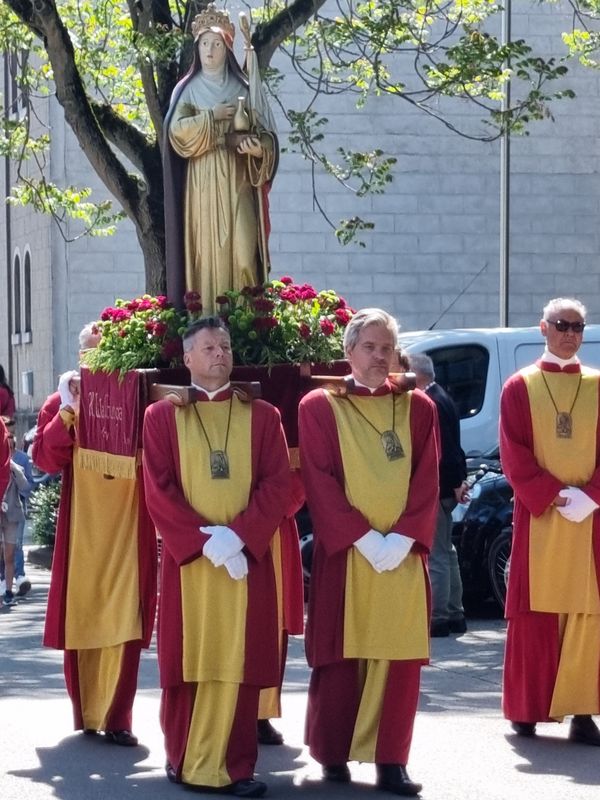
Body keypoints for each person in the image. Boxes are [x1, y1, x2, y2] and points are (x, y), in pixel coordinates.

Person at [142, 317, 291, 797]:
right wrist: (206, 541)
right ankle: (183, 758)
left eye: (225, 346)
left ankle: (236, 766)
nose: (219, 353)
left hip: (246, 563)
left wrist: (241, 538)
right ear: (187, 359)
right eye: (208, 347)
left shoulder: (263, 415)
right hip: (191, 563)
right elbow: (158, 489)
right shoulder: (162, 416)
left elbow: (278, 485)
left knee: (242, 662)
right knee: (188, 662)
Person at [299, 308, 439, 796]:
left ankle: (391, 761)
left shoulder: (419, 407)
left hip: (402, 551)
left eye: (387, 348)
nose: (380, 357)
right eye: (370, 348)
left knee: (396, 661)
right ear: (348, 352)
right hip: (348, 553)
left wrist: (402, 536)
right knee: (343, 657)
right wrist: (361, 536)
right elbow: (319, 479)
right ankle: (333, 754)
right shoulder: (319, 406)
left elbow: (427, 477)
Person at [32, 323, 155, 745]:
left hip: (127, 522)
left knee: (127, 617)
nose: (96, 360)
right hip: (83, 527)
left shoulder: (139, 398)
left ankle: (118, 718)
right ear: (79, 357)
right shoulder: (61, 399)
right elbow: (46, 460)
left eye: (105, 353)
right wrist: (67, 411)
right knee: (82, 616)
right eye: (90, 352)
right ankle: (86, 711)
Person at [500, 297, 600, 745]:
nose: (569, 333)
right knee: (534, 616)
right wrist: (555, 495)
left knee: (589, 615)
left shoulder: (599, 385)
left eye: (577, 327)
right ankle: (528, 709)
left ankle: (583, 712)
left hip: (591, 520)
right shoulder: (519, 387)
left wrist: (592, 496)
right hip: (540, 516)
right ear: (543, 328)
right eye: (561, 324)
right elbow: (513, 452)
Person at [164, 4, 278, 313]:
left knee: (244, 251)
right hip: (203, 183)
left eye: (216, 44)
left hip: (239, 178)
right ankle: (206, 322)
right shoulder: (187, 90)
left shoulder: (243, 87)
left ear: (227, 48)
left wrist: (258, 150)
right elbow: (177, 134)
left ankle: (247, 325)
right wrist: (212, 119)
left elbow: (266, 133)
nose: (209, 51)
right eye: (204, 44)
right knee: (206, 255)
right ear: (196, 49)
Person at [409, 353, 469, 637]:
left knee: (438, 553)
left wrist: (454, 481)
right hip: (449, 484)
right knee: (448, 551)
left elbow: (442, 450)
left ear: (416, 374)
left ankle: (439, 616)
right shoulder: (442, 396)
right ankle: (455, 612)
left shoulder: (430, 401)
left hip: (440, 485)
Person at [0, 430, 34, 603]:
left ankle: (8, 591)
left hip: (12, 515)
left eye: (11, 447)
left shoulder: (15, 465)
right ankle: (2, 584)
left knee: (10, 554)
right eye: (7, 446)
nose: (9, 450)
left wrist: (14, 469)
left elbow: (25, 485)